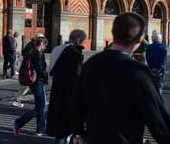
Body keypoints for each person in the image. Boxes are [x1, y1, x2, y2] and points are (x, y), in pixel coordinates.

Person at [72, 12, 170, 144]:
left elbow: (76, 102)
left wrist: (78, 132)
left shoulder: (90, 64)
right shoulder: (138, 71)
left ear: (113, 33)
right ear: (139, 39)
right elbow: (158, 120)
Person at [46, 29, 86, 144]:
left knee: (60, 129)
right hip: (67, 95)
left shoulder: (56, 48)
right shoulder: (74, 53)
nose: (83, 44)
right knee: (65, 131)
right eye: (83, 41)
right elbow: (75, 79)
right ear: (78, 40)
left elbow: (51, 69)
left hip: (55, 88)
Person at [14, 36, 49, 137]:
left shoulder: (35, 52)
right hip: (37, 82)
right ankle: (18, 122)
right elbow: (39, 68)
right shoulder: (36, 53)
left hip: (36, 82)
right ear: (41, 44)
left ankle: (40, 129)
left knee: (41, 106)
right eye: (45, 45)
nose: (45, 47)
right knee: (40, 108)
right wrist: (46, 75)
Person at [12, 33, 45, 108]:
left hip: (30, 68)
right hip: (30, 69)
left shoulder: (31, 44)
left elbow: (24, 53)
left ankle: (40, 100)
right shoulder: (34, 46)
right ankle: (16, 100)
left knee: (32, 86)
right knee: (26, 86)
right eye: (42, 39)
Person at [146, 31, 167, 95]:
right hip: (159, 71)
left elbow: (147, 59)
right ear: (159, 39)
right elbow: (163, 61)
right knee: (159, 89)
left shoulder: (148, 47)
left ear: (152, 39)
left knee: (151, 88)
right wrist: (160, 69)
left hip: (150, 69)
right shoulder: (163, 48)